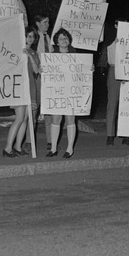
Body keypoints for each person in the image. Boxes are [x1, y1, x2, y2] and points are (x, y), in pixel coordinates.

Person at [3, 24, 40, 157]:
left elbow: (36, 71)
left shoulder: (34, 53)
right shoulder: (15, 50)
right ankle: (7, 148)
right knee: (19, 118)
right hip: (19, 88)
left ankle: (18, 147)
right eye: (27, 35)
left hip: (30, 87)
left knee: (25, 119)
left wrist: (29, 56)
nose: (29, 38)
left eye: (32, 36)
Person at [46, 28, 79, 158]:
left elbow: (82, 72)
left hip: (71, 91)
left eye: (66, 38)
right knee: (56, 119)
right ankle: (53, 148)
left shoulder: (76, 55)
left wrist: (90, 69)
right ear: (57, 42)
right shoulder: (51, 56)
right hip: (57, 92)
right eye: (61, 39)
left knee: (71, 119)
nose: (64, 41)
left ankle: (69, 148)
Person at [102, 19, 129, 147]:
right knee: (112, 103)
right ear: (115, 25)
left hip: (128, 71)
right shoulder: (110, 37)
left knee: (127, 103)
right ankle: (110, 135)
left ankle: (126, 134)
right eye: (120, 24)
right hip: (114, 70)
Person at [33, 13, 53, 149]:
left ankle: (50, 140)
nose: (47, 25)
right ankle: (29, 141)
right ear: (38, 24)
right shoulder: (33, 38)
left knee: (49, 109)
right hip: (38, 77)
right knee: (34, 108)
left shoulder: (51, 38)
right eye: (44, 22)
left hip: (50, 77)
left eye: (48, 22)